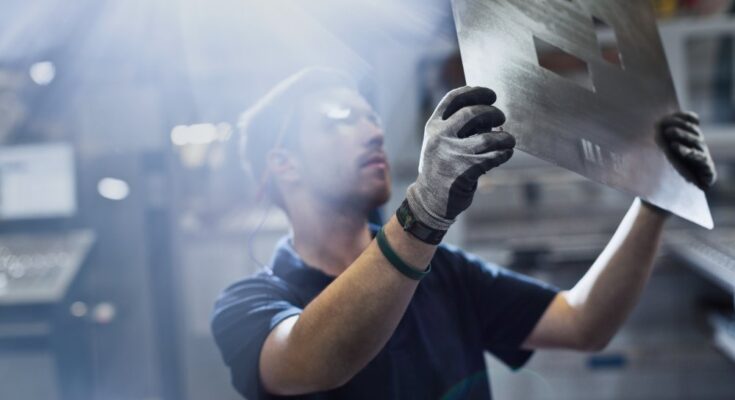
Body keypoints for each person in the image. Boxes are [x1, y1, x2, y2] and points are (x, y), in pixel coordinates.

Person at [211, 68, 717, 399]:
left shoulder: (442, 272)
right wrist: (425, 210)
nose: (374, 131)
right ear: (284, 165)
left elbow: (583, 323)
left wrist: (654, 200)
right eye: (340, 121)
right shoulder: (249, 305)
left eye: (371, 117)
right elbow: (312, 360)